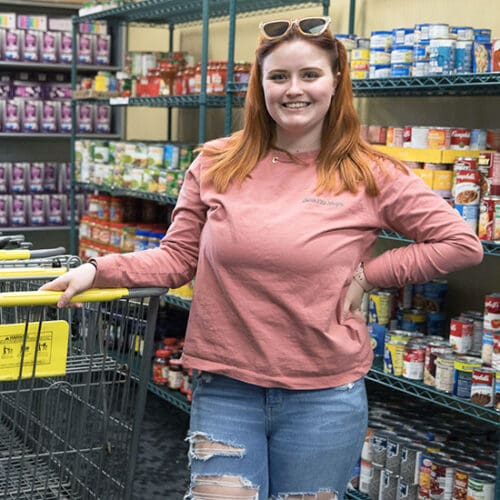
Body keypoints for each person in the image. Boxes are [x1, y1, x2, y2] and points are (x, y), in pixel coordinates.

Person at [41, 16, 484, 499]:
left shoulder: (371, 172)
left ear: (336, 82)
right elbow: (175, 260)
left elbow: (461, 244)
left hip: (324, 395)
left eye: (310, 75)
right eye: (279, 77)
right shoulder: (216, 162)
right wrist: (94, 269)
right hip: (228, 388)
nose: (294, 90)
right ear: (261, 86)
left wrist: (369, 275)